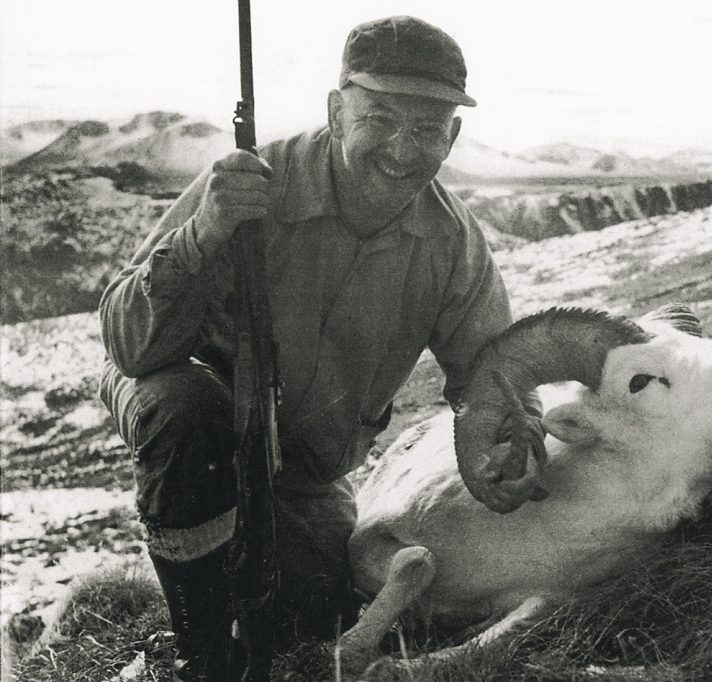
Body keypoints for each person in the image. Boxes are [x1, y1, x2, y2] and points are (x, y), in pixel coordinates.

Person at [98, 15, 520, 680]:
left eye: (428, 128)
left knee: (321, 613)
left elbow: (491, 381)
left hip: (299, 473)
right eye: (380, 118)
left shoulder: (453, 246)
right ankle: (199, 651)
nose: (404, 149)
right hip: (186, 404)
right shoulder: (249, 185)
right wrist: (206, 231)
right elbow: (125, 342)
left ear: (454, 136)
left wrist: (509, 445)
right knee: (185, 411)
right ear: (336, 109)